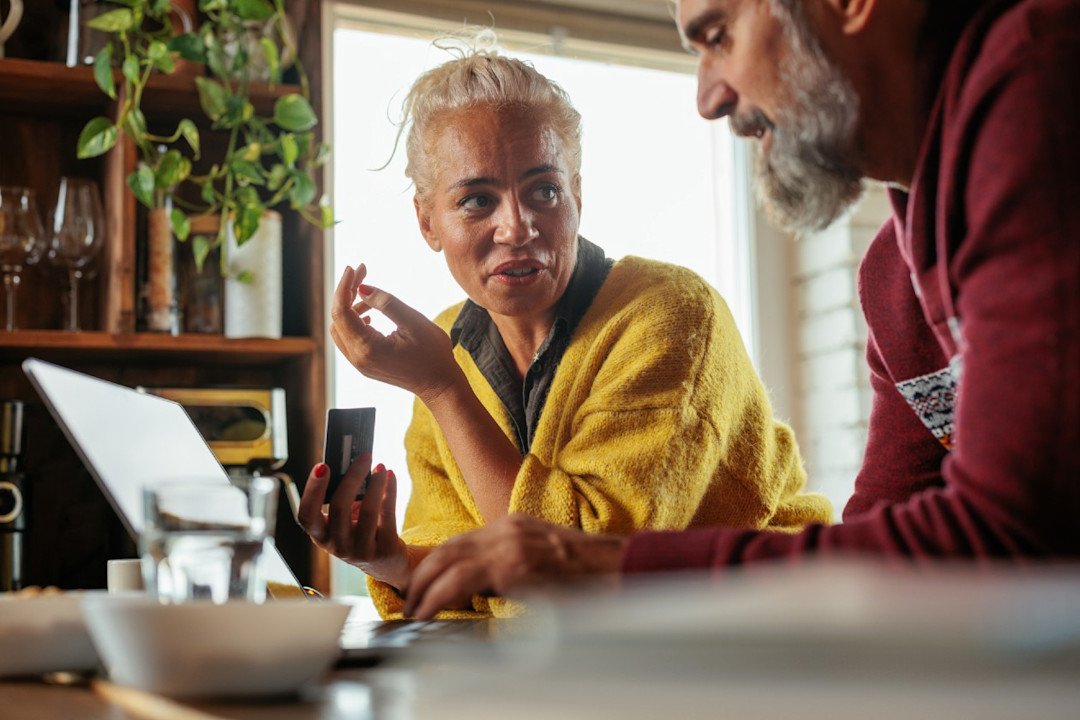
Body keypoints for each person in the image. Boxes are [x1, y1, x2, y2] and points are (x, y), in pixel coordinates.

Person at [398, 0, 1080, 620]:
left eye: (718, 37)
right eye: (475, 200)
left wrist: (609, 568)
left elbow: (1010, 530)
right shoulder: (892, 280)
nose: (708, 97)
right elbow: (887, 542)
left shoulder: (1038, 80)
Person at [297, 38, 832, 617]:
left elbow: (587, 571)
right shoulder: (446, 344)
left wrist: (444, 389)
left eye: (544, 191)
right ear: (428, 222)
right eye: (477, 200)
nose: (517, 227)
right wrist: (391, 561)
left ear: (578, 196)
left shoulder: (670, 315)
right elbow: (477, 580)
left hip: (757, 641)